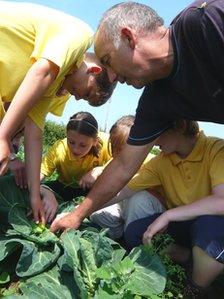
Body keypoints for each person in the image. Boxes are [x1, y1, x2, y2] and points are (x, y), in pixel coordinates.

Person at [49, 0, 224, 233]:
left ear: (129, 38)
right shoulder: (156, 101)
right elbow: (123, 165)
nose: (111, 78)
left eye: (108, 61)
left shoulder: (205, 21)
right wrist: (77, 215)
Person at [0, 1, 115, 223]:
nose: (78, 98)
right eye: (87, 92)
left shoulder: (53, 86)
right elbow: (41, 70)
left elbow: (34, 133)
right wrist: (3, 136)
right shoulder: (81, 35)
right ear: (93, 70)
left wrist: (34, 196)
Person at [120, 120, 224, 297]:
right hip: (183, 225)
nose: (151, 141)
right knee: (135, 233)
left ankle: (196, 288)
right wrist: (81, 210)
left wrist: (169, 215)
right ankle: (190, 260)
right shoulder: (161, 161)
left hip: (215, 225)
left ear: (180, 126)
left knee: (208, 227)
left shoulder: (216, 149)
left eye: (156, 134)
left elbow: (221, 202)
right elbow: (123, 190)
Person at [89, 115, 164, 239]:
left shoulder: (152, 163)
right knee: (96, 215)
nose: (118, 155)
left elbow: (165, 199)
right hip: (122, 203)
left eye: (123, 150)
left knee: (138, 198)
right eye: (115, 148)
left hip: (147, 208)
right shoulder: (116, 162)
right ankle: (123, 233)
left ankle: (135, 238)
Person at [40, 111, 111, 222]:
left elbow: (123, 160)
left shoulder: (106, 142)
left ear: (95, 141)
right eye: (71, 142)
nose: (75, 149)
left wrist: (99, 170)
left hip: (92, 191)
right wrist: (47, 193)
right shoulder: (59, 149)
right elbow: (37, 176)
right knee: (28, 190)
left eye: (83, 145)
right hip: (63, 188)